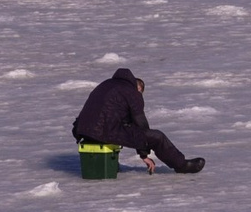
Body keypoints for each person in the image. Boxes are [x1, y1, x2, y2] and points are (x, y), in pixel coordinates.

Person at [73, 67, 203, 174]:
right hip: (102, 131)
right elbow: (140, 124)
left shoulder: (105, 84)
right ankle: (182, 165)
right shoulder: (131, 92)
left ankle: (111, 164)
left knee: (119, 129)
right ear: (138, 88)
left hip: (83, 131)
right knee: (157, 137)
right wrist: (144, 154)